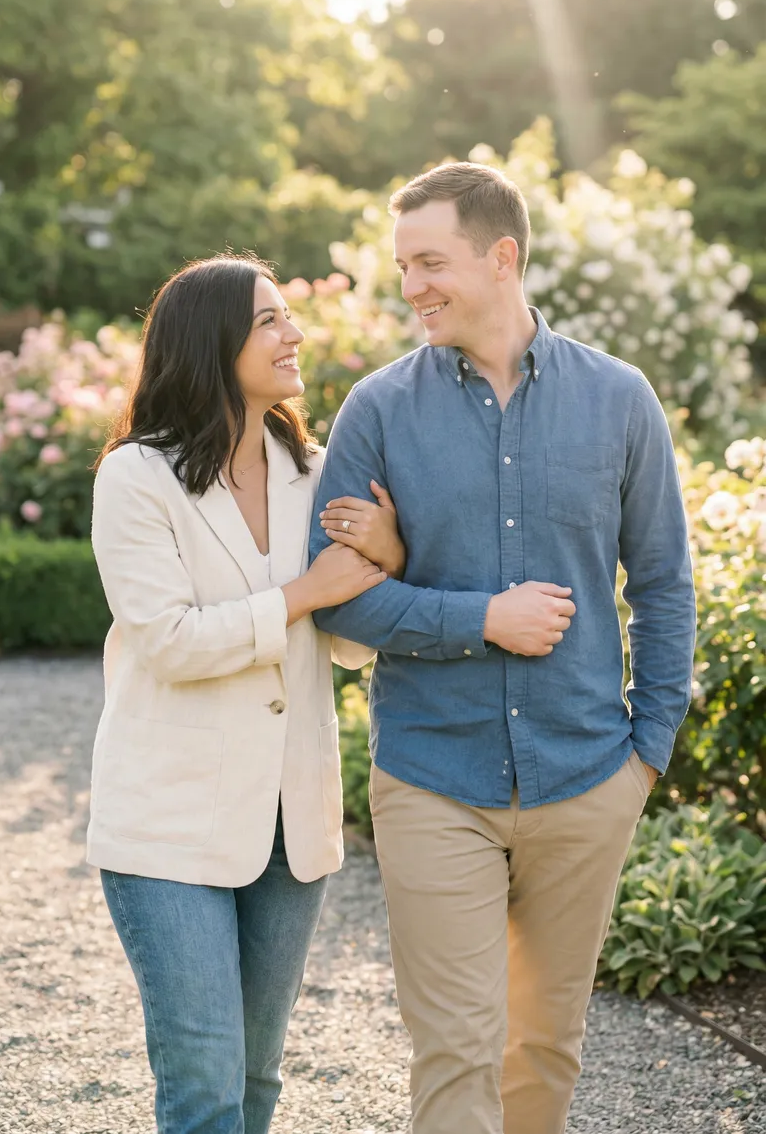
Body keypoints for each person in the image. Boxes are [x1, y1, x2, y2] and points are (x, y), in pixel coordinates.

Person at [310, 162, 697, 1134]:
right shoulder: (376, 411)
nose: (411, 287)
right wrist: (478, 616)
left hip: (583, 776)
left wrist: (644, 751)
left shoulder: (618, 399)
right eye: (402, 266)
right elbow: (334, 604)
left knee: (543, 1042)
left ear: (501, 257)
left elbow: (660, 583)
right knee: (455, 1045)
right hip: (432, 774)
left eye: (429, 261)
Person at [86, 253, 399, 1134]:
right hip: (167, 825)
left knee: (257, 1080)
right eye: (269, 319)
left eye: (289, 316)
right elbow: (171, 642)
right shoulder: (135, 478)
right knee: (204, 1088)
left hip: (289, 823)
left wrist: (388, 557)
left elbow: (345, 643)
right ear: (211, 340)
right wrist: (306, 593)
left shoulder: (318, 467)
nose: (294, 333)